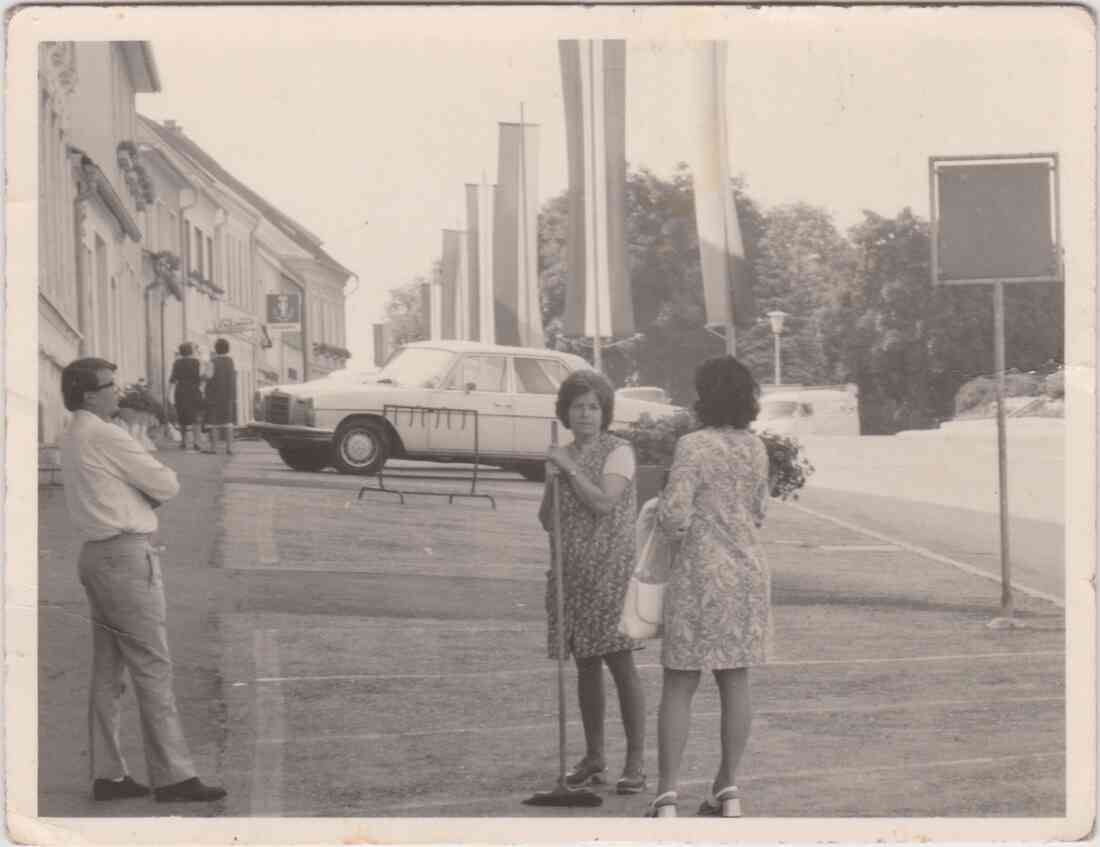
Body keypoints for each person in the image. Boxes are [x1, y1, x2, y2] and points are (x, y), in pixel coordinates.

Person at [58, 357, 227, 803]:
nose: (118, 392)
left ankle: (108, 773)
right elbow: (167, 484)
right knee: (153, 664)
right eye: (110, 385)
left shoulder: (72, 433)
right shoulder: (107, 434)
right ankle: (173, 776)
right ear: (91, 394)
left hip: (95, 555)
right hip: (126, 556)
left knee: (108, 668)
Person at [645, 355, 771, 818]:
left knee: (679, 682)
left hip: (700, 572)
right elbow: (758, 510)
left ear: (705, 395)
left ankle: (666, 795)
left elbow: (674, 517)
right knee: (735, 680)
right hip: (747, 573)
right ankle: (728, 788)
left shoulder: (692, 446)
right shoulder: (755, 448)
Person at [539, 370, 647, 795]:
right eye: (577, 406)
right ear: (565, 411)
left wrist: (568, 470)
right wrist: (553, 480)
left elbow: (604, 502)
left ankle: (635, 762)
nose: (585, 414)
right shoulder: (562, 455)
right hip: (571, 572)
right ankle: (595, 756)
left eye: (593, 406)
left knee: (620, 663)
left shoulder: (618, 451)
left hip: (610, 571)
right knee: (585, 663)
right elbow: (548, 521)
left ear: (605, 412)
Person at [202, 337, 237, 455]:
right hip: (228, 396)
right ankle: (229, 448)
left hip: (214, 396)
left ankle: (214, 448)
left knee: (214, 423)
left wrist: (202, 375)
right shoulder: (230, 361)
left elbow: (208, 376)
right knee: (228, 423)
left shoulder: (213, 362)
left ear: (216, 349)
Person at [168, 343, 203, 451]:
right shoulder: (196, 362)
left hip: (181, 391)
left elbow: (173, 379)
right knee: (196, 417)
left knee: (182, 417)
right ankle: (196, 442)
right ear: (191, 351)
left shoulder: (177, 363)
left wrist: (168, 393)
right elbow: (200, 377)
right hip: (194, 391)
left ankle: (183, 442)